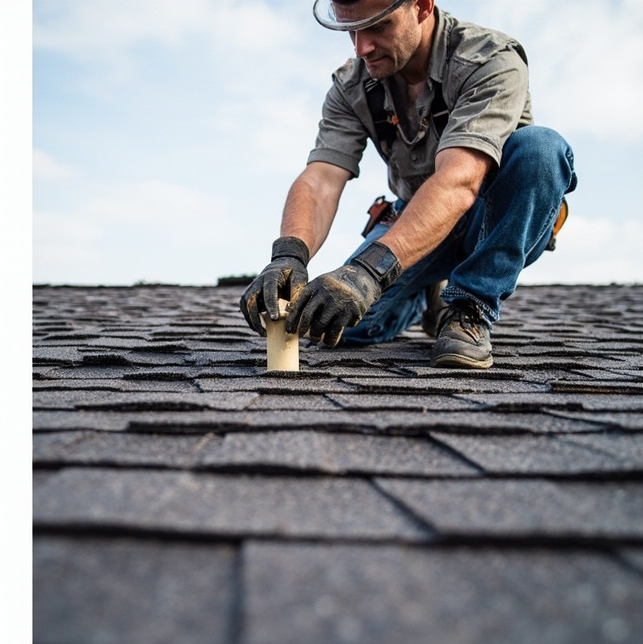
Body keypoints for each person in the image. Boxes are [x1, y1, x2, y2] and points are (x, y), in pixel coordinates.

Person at [240, 0, 575, 369]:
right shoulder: (353, 85)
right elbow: (321, 178)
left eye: (378, 26)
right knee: (339, 323)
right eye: (351, 29)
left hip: (491, 220)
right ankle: (424, 294)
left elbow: (459, 181)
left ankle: (469, 306)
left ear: (422, 6)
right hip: (416, 221)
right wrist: (289, 254)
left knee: (541, 149)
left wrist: (369, 272)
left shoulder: (489, 59)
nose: (361, 47)